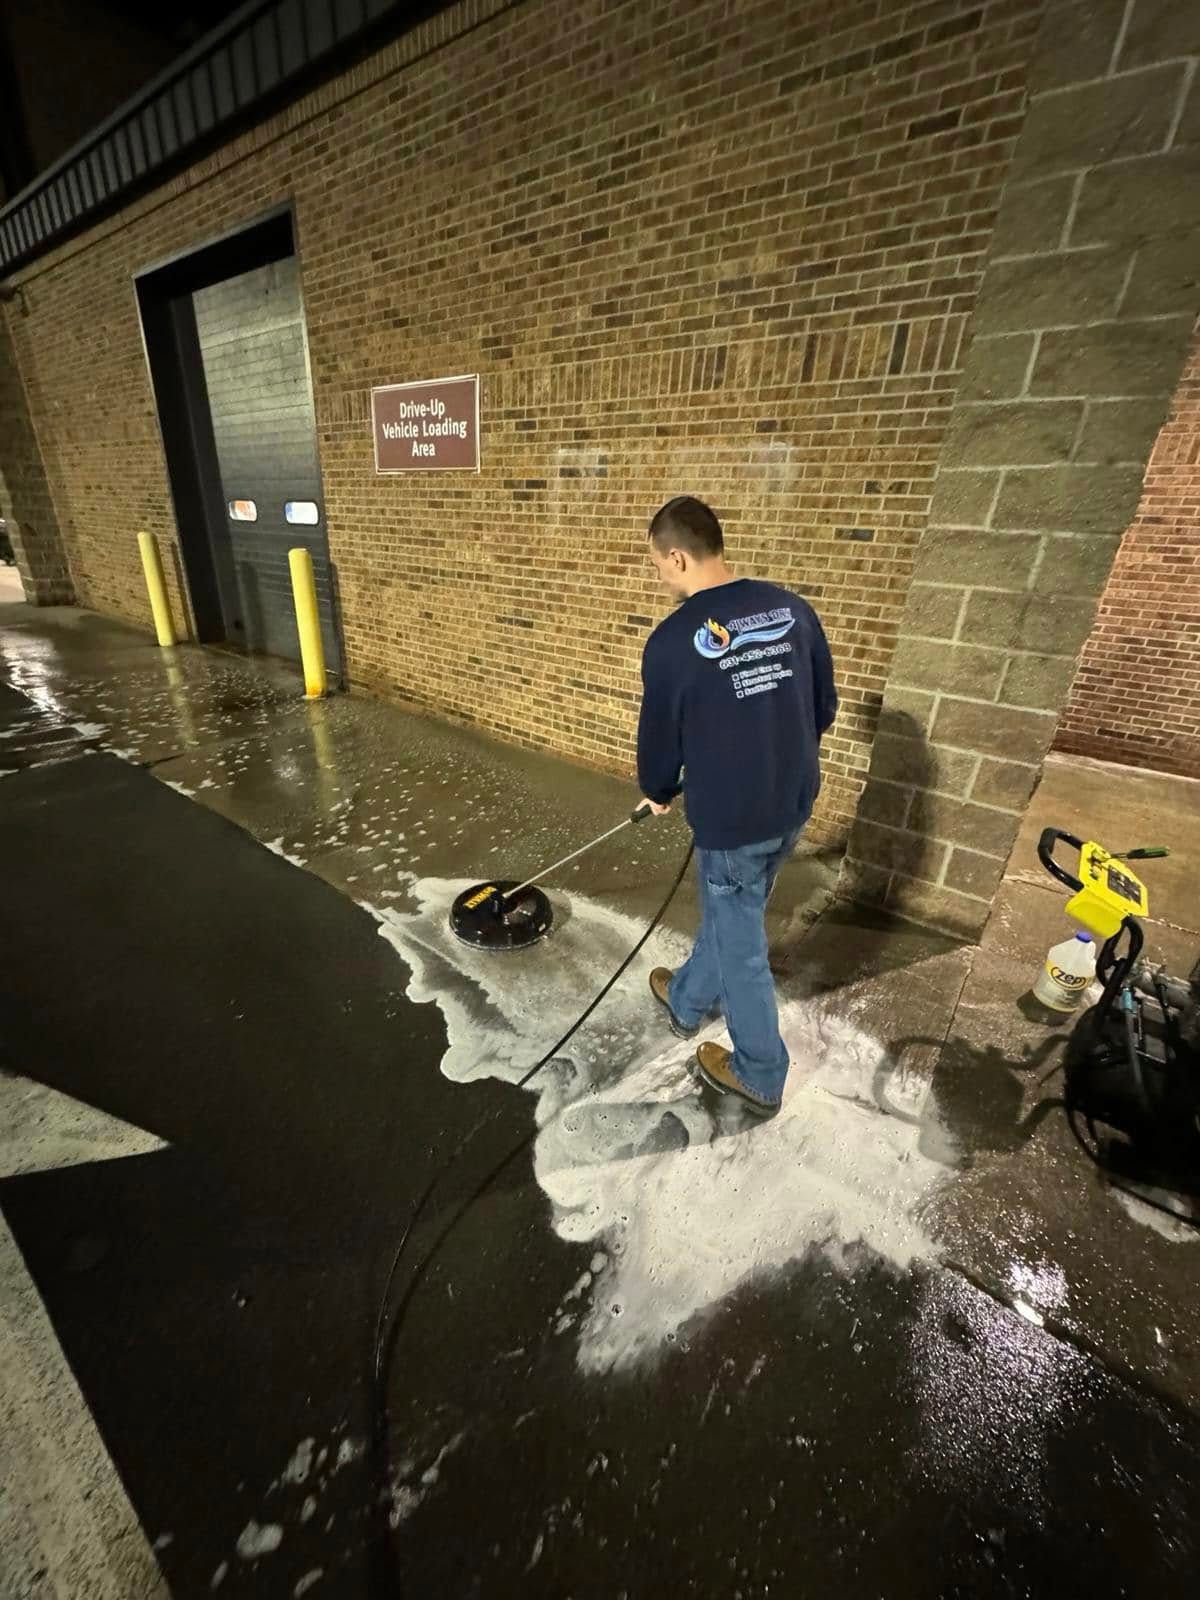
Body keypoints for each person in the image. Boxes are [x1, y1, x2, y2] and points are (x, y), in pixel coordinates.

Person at [637, 495, 837, 1117]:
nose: (659, 577)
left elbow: (659, 740)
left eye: (659, 565)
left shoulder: (673, 642)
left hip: (734, 818)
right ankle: (690, 998)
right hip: (793, 797)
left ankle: (760, 1072)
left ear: (678, 556)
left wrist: (658, 787)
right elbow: (822, 707)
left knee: (743, 941)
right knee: (735, 911)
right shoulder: (792, 610)